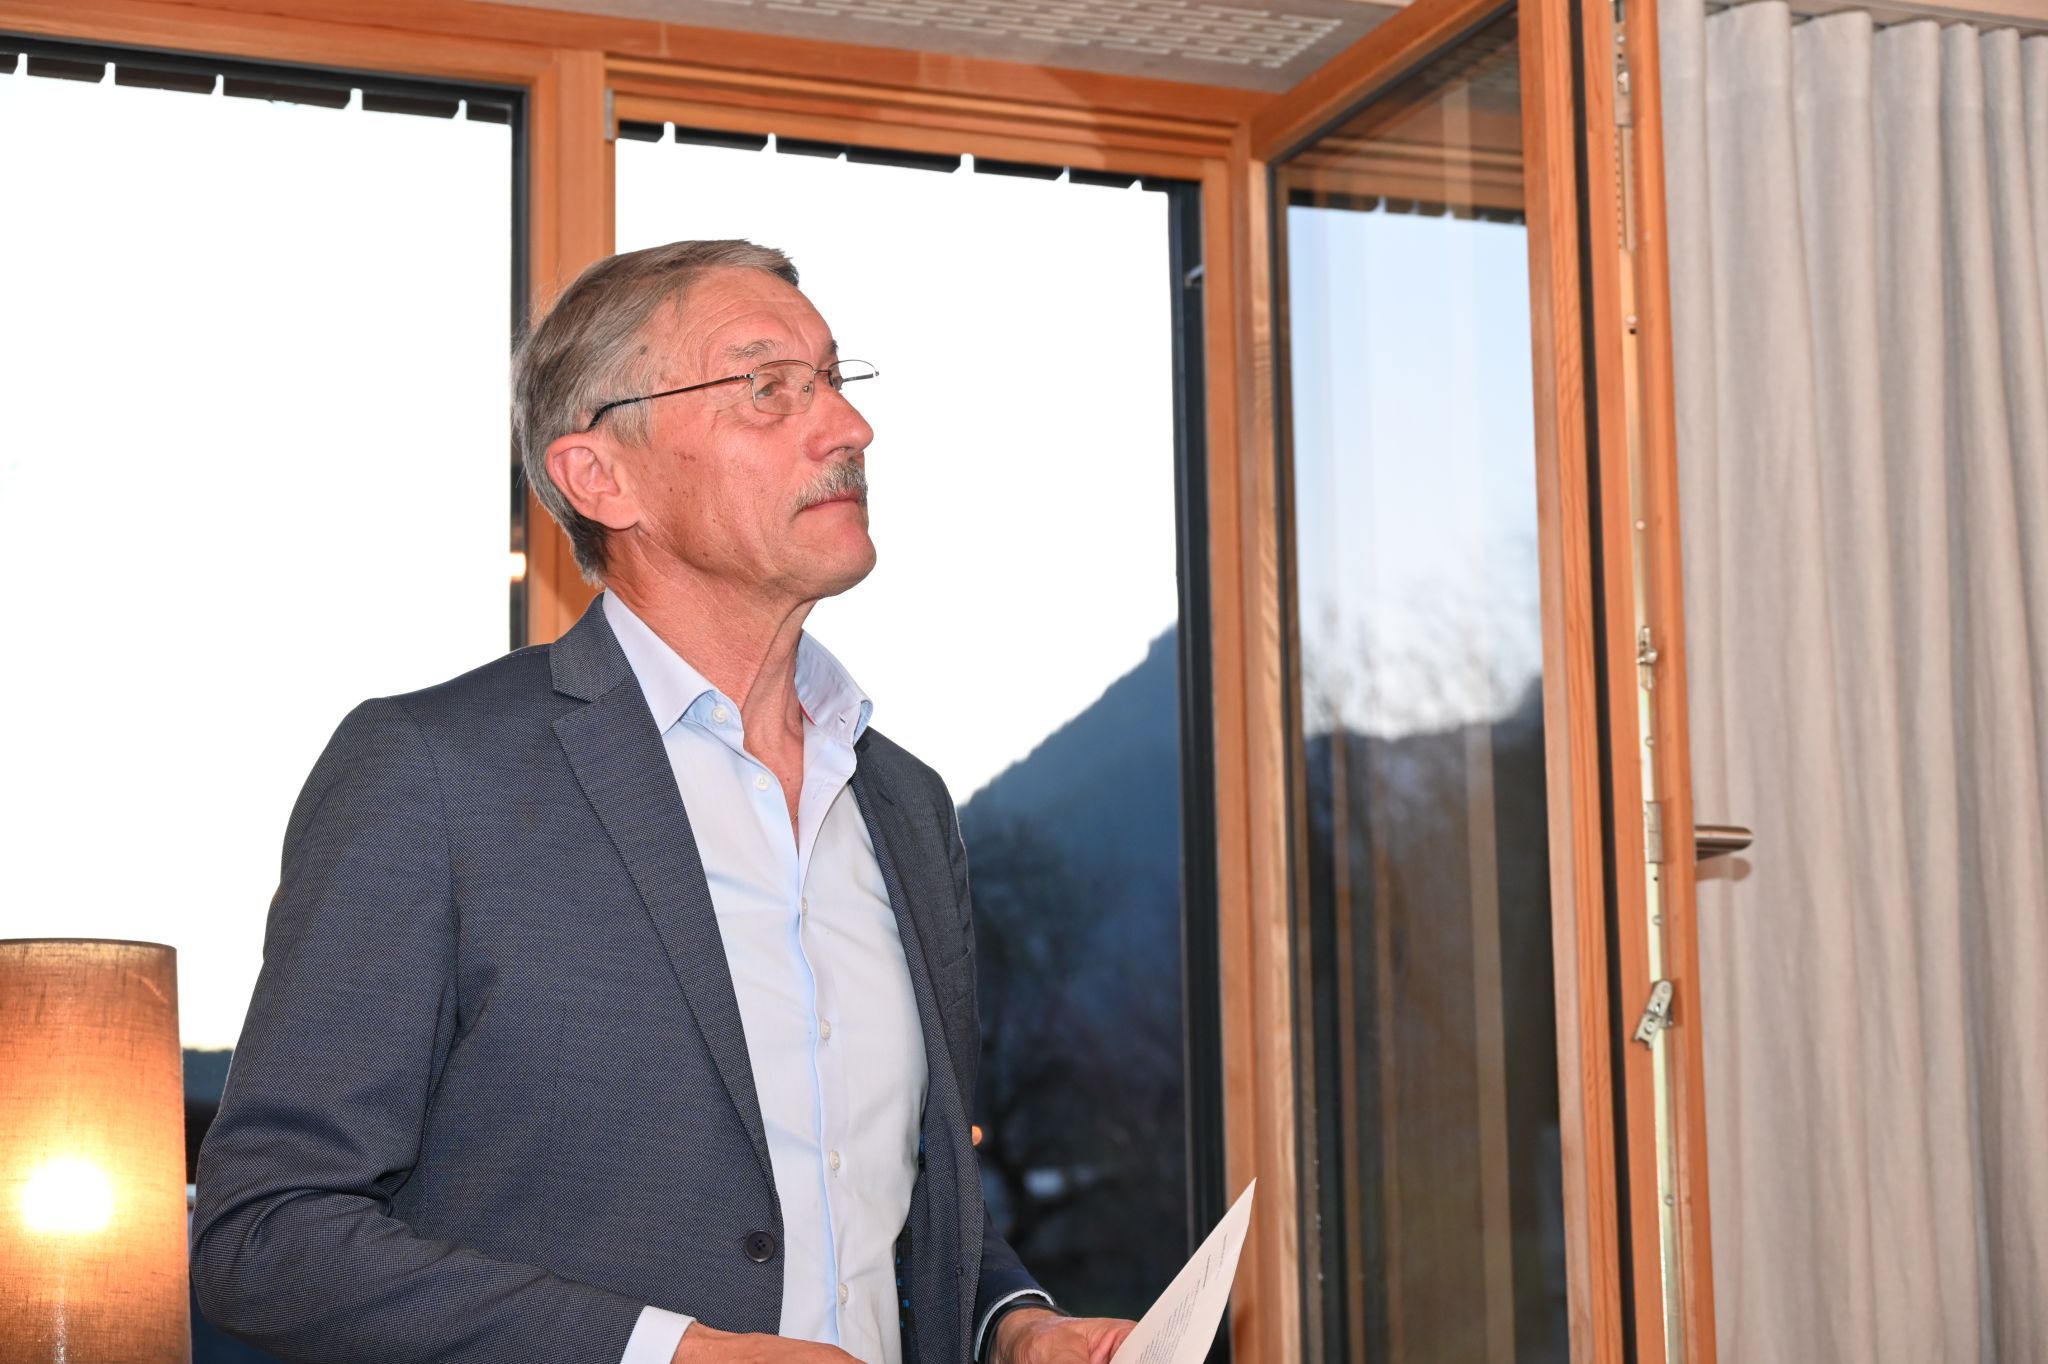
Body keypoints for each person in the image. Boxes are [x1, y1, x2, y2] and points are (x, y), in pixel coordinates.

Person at [191, 239, 1137, 1364]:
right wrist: (668, 1353)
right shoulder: (431, 774)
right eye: (768, 387)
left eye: (834, 379)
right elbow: (266, 1235)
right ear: (602, 477)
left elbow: (888, 1202)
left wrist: (1013, 1324)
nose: (849, 427)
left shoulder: (905, 805)